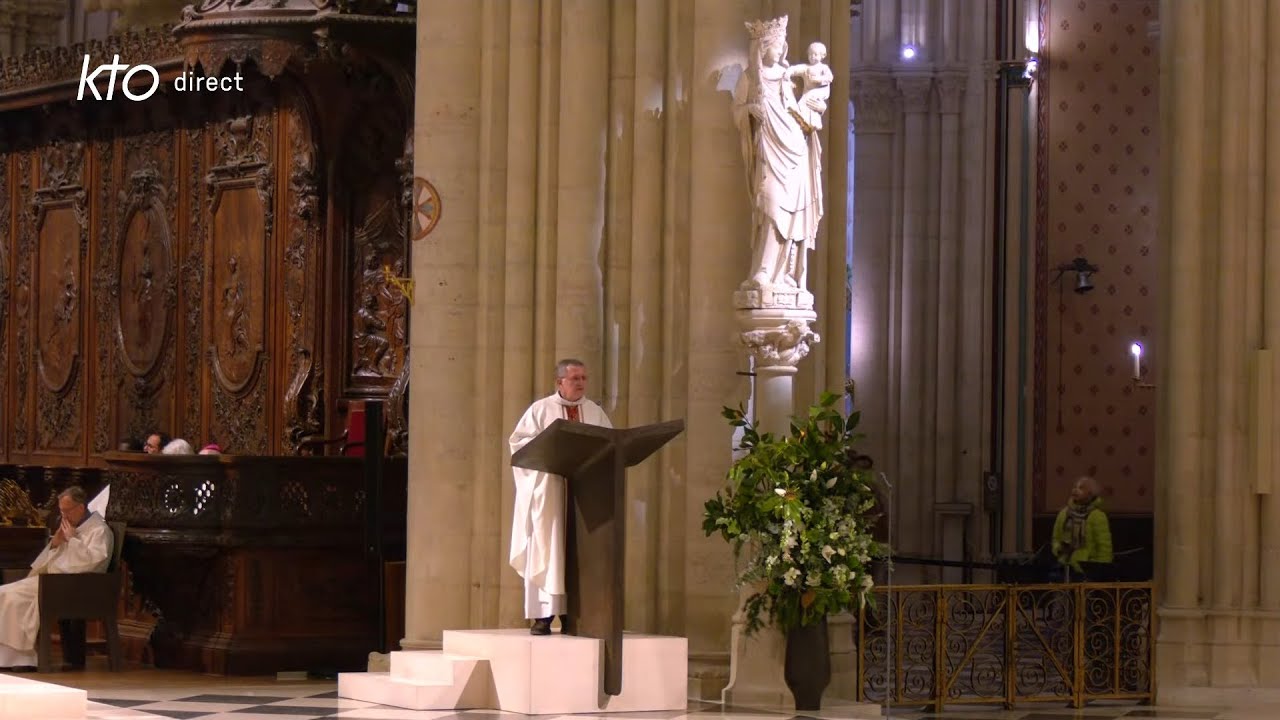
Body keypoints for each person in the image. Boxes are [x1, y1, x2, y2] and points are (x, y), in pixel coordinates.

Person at [508, 359, 612, 635]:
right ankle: (543, 615)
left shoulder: (594, 411)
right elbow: (518, 446)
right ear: (559, 382)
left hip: (583, 493)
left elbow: (610, 443)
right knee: (548, 547)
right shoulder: (540, 410)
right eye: (575, 378)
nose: (580, 383)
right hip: (551, 488)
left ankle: (573, 615)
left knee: (580, 552)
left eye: (584, 378)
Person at [732, 15, 826, 294]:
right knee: (770, 204)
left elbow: (797, 109)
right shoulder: (751, 78)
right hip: (770, 150)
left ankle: (784, 273)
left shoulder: (786, 79)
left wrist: (811, 112)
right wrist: (749, 110)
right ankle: (763, 270)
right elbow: (738, 110)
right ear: (763, 48)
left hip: (793, 148)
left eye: (783, 44)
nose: (782, 48)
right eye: (776, 44)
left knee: (792, 212)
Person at [0, 487, 113, 669]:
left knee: (14, 599)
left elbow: (93, 563)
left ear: (81, 508)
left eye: (67, 511)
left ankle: (24, 659)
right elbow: (52, 561)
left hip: (73, 587)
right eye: (61, 511)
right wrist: (55, 544)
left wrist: (73, 540)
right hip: (53, 581)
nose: (63, 516)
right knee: (3, 593)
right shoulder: (71, 527)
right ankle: (8, 658)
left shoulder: (99, 530)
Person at [1052, 476, 1113, 581]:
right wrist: (1058, 549)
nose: (1076, 490)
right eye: (1075, 487)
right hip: (1064, 567)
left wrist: (1100, 571)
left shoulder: (1097, 516)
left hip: (1087, 570)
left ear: (1090, 494)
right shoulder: (1063, 513)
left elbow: (1104, 547)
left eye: (1081, 488)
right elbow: (1056, 538)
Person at [788, 42, 833, 131]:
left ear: (822, 56)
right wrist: (788, 72)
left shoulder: (824, 68)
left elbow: (829, 77)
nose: (812, 56)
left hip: (819, 92)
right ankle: (804, 122)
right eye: (810, 54)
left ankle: (808, 122)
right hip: (808, 93)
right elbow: (795, 69)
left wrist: (818, 79)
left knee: (807, 104)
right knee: (805, 104)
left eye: (815, 54)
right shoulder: (806, 68)